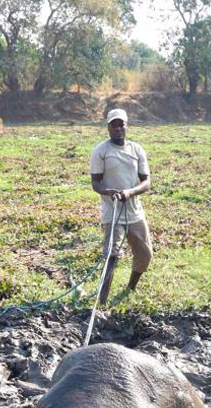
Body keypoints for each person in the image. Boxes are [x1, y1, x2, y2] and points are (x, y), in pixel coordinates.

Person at [89, 108, 152, 306]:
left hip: (134, 211)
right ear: (108, 127)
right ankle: (103, 302)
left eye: (121, 124)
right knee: (111, 256)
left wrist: (129, 193)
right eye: (113, 125)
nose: (118, 128)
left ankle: (131, 287)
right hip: (112, 212)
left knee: (145, 254)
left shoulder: (137, 149)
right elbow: (96, 183)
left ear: (126, 126)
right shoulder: (101, 151)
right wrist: (110, 192)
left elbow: (146, 182)